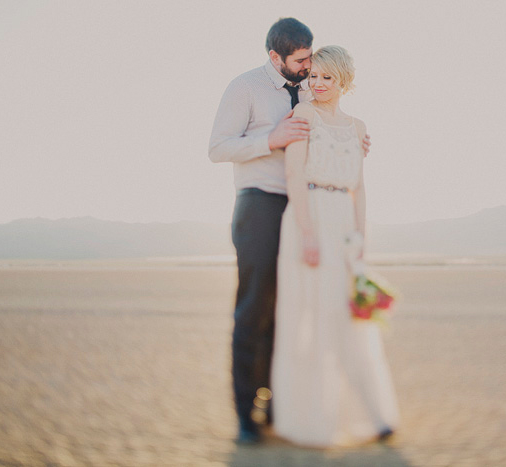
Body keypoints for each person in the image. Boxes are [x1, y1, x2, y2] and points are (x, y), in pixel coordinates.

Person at [208, 18, 370, 444]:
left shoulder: (310, 88)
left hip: (309, 209)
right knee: (254, 310)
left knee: (294, 310)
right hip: (261, 203)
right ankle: (246, 413)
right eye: (300, 61)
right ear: (274, 57)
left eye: (310, 59)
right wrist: (271, 138)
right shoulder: (245, 88)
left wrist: (351, 142)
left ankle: (281, 404)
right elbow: (217, 147)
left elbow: (330, 129)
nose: (307, 68)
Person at [271, 45, 399, 447]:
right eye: (314, 76)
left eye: (328, 77)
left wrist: (360, 239)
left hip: (343, 223)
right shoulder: (303, 115)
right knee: (313, 318)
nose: (318, 84)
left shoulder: (359, 127)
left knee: (349, 318)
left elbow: (359, 189)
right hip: (309, 218)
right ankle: (313, 420)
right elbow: (294, 175)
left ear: (344, 81)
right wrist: (308, 235)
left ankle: (372, 415)